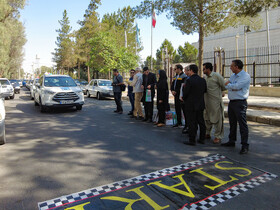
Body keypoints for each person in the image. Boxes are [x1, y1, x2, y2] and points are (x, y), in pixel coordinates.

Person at [222, 60, 251, 154]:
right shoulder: (233, 76)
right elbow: (228, 85)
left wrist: (230, 86)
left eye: (232, 66)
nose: (230, 67)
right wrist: (231, 86)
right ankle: (232, 140)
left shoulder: (245, 76)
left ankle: (244, 145)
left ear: (237, 67)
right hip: (232, 102)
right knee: (232, 123)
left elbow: (237, 86)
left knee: (242, 124)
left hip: (240, 103)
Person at [183, 64, 207, 145]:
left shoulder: (189, 80)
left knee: (191, 122)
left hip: (190, 104)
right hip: (200, 103)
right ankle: (202, 138)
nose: (188, 72)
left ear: (191, 70)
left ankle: (192, 139)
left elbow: (185, 92)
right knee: (201, 121)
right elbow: (205, 90)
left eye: (188, 70)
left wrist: (184, 98)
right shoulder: (202, 80)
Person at [203, 62, 226, 144]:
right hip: (207, 102)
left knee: (217, 120)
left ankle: (218, 136)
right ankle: (207, 133)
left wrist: (222, 92)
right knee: (207, 118)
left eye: (204, 68)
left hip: (216, 102)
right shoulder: (205, 78)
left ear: (208, 69)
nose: (203, 70)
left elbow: (223, 86)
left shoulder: (217, 76)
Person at [180, 65, 191, 134]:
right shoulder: (186, 78)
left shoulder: (189, 79)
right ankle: (187, 125)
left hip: (189, 99)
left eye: (186, 70)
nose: (185, 72)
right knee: (185, 113)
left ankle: (189, 127)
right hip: (184, 98)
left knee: (189, 115)